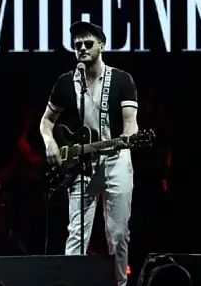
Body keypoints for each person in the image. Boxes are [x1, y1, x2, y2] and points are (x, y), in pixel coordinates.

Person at [39, 21, 138, 286]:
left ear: (101, 46)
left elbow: (131, 122)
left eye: (88, 43)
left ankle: (120, 284)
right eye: (77, 45)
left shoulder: (122, 79)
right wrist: (50, 143)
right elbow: (46, 121)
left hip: (116, 160)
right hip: (81, 164)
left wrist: (129, 137)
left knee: (118, 234)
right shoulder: (65, 82)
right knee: (76, 233)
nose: (82, 48)